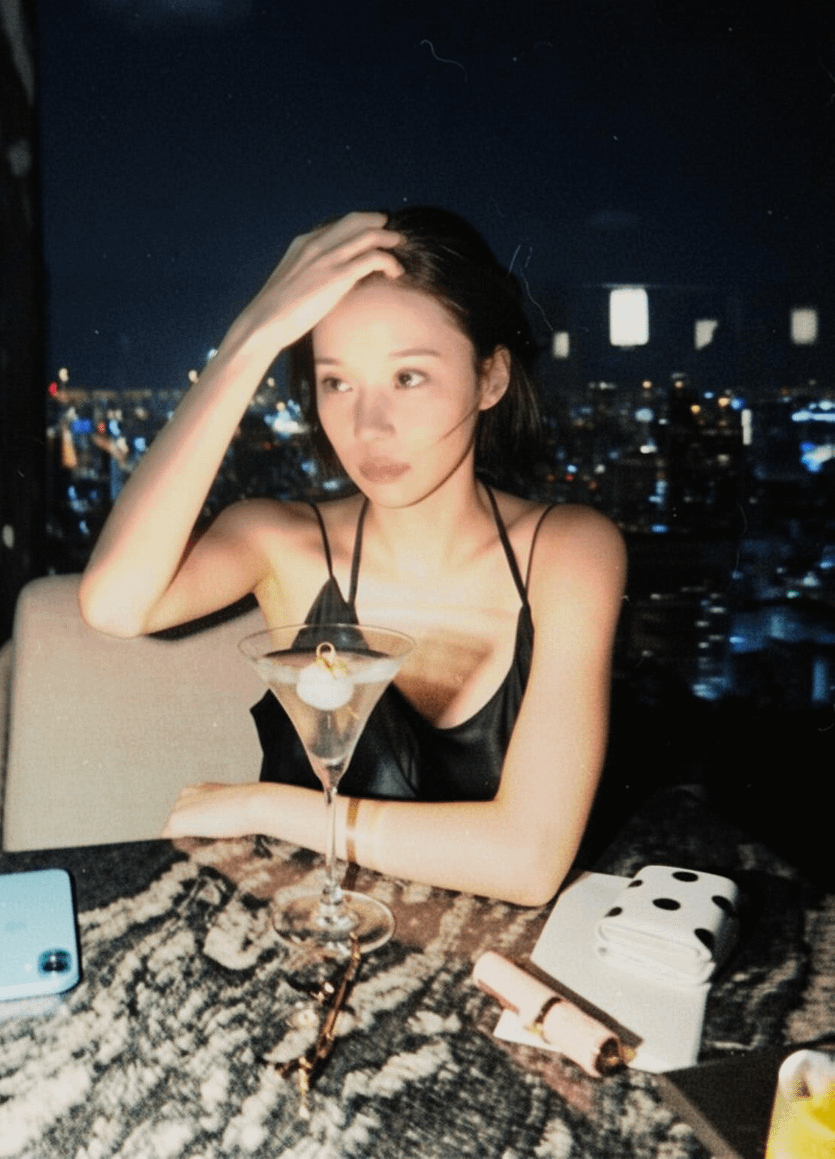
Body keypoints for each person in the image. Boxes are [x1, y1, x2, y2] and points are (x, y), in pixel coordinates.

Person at [79, 210, 626, 906]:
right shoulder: (281, 543)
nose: (368, 427)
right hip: (303, 936)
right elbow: (114, 605)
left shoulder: (570, 551)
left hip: (498, 957)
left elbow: (529, 862)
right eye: (336, 382)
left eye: (409, 377)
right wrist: (254, 334)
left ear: (490, 379)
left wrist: (260, 806)